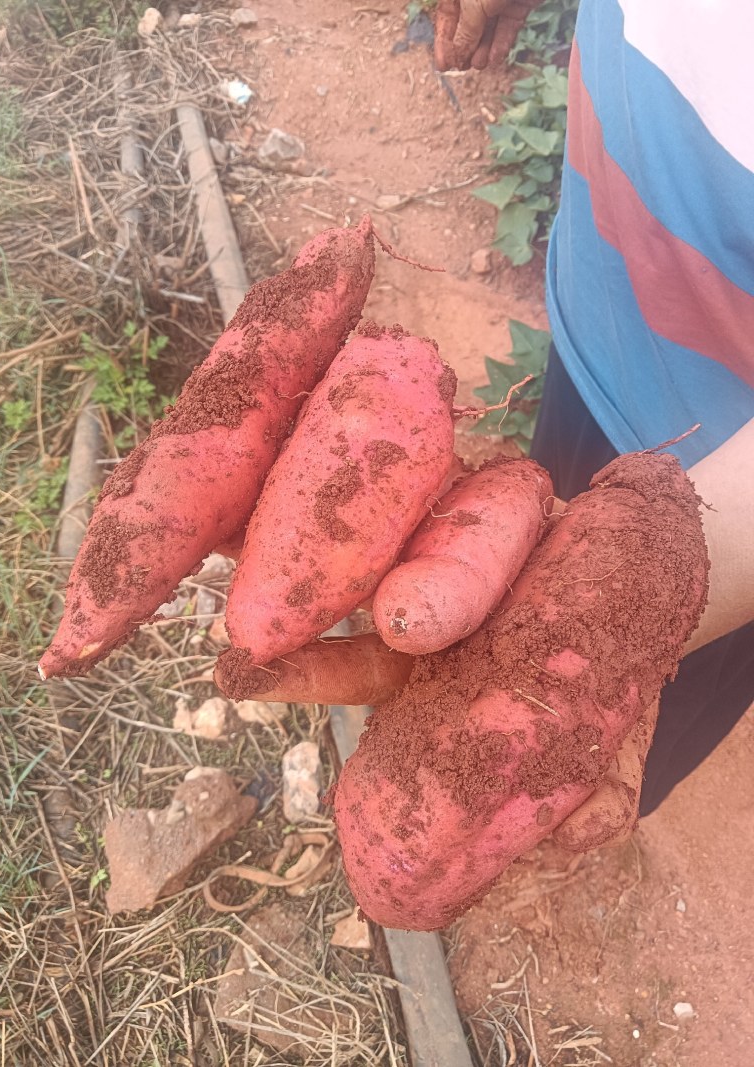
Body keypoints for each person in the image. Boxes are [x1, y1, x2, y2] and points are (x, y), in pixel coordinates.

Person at [243, 0, 754, 847]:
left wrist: (659, 594)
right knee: (538, 517)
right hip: (601, 301)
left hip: (730, 499)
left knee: (612, 699)